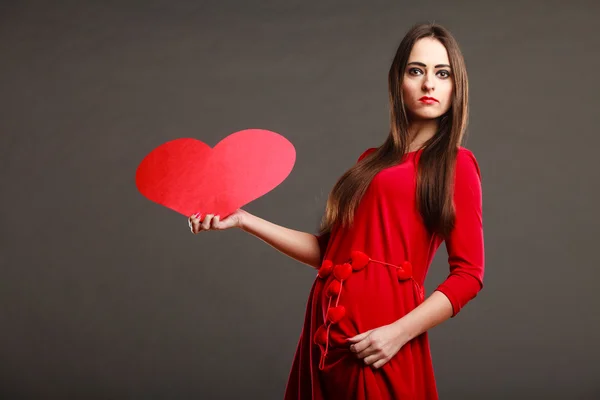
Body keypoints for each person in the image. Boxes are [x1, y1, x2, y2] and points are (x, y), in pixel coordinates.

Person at [189, 22, 484, 400]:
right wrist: (244, 220)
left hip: (380, 339)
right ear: (399, 82)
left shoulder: (456, 164)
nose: (429, 84)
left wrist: (396, 334)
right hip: (327, 333)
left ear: (455, 86)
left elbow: (469, 275)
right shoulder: (369, 162)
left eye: (442, 73)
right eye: (416, 70)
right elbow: (329, 253)